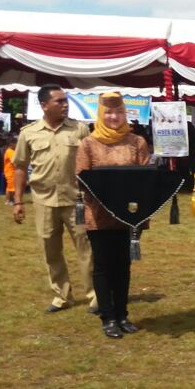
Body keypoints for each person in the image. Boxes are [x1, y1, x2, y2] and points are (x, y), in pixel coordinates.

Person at [13, 84, 97, 314]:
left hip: (77, 200)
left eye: (65, 100)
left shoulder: (79, 129)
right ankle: (62, 296)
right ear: (44, 105)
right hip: (43, 200)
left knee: (86, 248)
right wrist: (18, 201)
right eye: (59, 101)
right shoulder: (28, 133)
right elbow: (20, 167)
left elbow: (92, 164)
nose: (65, 104)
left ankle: (95, 296)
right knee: (50, 250)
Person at [75, 93, 151, 339]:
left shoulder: (136, 142)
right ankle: (107, 317)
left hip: (128, 215)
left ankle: (122, 314)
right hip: (100, 214)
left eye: (118, 112)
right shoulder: (88, 143)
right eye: (108, 112)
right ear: (100, 114)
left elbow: (144, 176)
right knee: (103, 266)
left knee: (124, 267)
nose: (113, 117)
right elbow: (81, 177)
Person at [3, 137, 17, 205]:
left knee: (13, 187)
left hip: (13, 172)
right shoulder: (10, 151)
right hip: (10, 172)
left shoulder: (13, 151)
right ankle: (8, 200)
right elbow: (14, 162)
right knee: (10, 187)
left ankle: (12, 199)